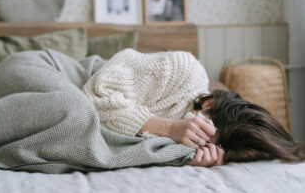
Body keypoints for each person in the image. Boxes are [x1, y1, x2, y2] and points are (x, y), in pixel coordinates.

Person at [83, 49, 305, 167]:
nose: (195, 141)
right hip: (84, 75)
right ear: (209, 104)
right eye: (201, 134)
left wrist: (192, 158)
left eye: (204, 143)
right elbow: (94, 99)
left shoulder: (205, 145)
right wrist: (169, 128)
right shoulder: (183, 70)